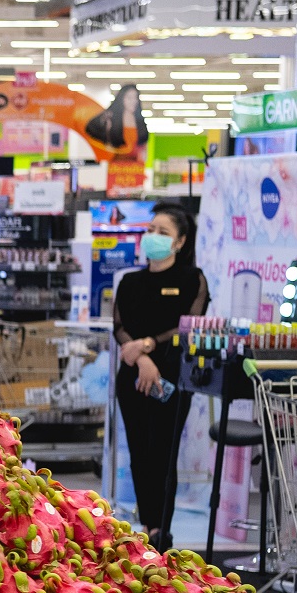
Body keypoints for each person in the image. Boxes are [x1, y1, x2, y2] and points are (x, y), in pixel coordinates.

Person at [113, 204, 207, 549]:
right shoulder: (130, 282)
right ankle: (148, 526)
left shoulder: (192, 280)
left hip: (173, 380)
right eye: (151, 229)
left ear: (180, 242)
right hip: (133, 380)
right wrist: (141, 359)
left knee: (163, 455)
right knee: (139, 453)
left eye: (163, 232)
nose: (153, 236)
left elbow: (187, 327)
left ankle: (161, 532)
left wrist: (148, 347)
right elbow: (120, 328)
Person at [85, 85, 149, 158]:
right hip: (116, 162)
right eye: (129, 98)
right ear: (122, 98)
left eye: (136, 97)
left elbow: (143, 145)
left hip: (136, 163)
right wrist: (105, 141)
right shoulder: (111, 117)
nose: (134, 101)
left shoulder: (140, 121)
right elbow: (90, 128)